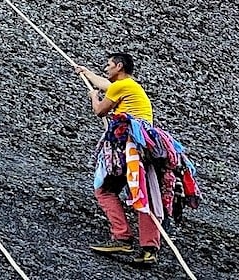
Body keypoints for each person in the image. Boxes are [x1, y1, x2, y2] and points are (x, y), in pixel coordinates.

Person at [74, 53, 200, 268]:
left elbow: (100, 110)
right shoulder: (131, 86)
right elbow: (107, 84)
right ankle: (149, 249)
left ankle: (122, 238)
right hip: (149, 148)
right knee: (143, 194)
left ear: (119, 66)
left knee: (104, 190)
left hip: (127, 146)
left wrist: (93, 96)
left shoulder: (120, 87)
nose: (106, 69)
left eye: (108, 65)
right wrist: (86, 73)